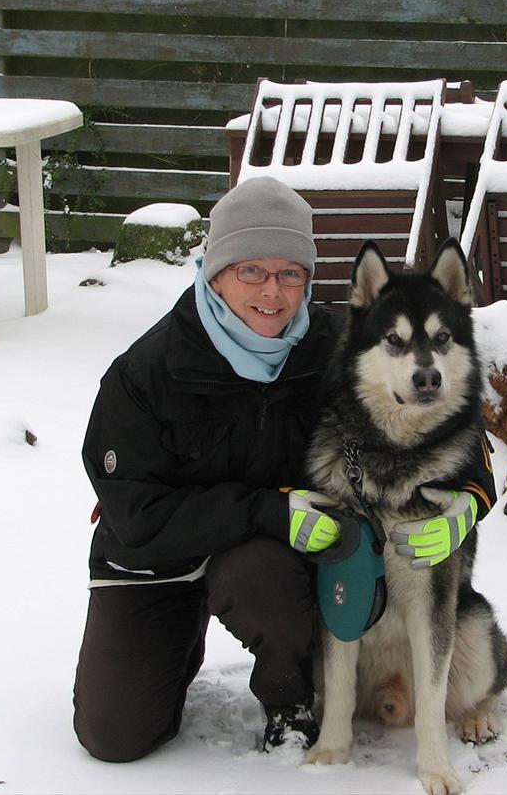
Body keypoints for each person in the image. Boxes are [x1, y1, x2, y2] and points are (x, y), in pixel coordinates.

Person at [73, 176, 343, 761]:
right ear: (214, 272)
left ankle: (290, 699)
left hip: (266, 560)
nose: (272, 291)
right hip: (155, 560)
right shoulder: (146, 371)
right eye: (252, 271)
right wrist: (269, 509)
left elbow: (430, 410)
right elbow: (136, 515)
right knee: (115, 737)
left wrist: (468, 495)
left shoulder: (337, 351)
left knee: (257, 577)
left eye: (290, 273)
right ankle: (174, 635)